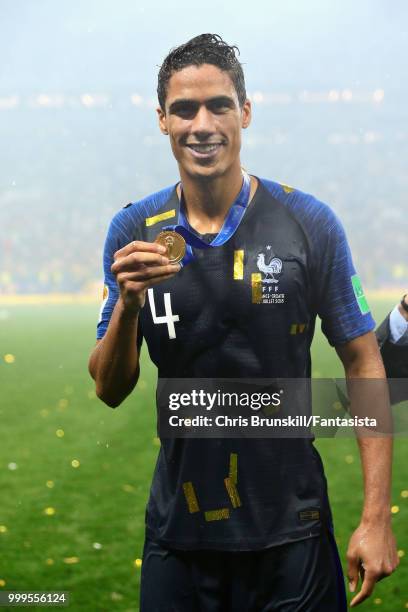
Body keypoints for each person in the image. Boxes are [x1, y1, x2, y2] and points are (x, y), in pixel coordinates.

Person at [88, 34, 398, 611]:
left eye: (219, 105)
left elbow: (362, 358)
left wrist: (376, 516)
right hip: (180, 537)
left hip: (294, 534)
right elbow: (108, 389)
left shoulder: (309, 223)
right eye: (184, 109)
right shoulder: (133, 231)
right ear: (162, 121)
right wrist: (128, 306)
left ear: (245, 112)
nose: (201, 124)